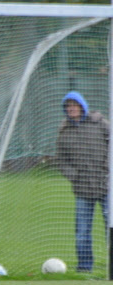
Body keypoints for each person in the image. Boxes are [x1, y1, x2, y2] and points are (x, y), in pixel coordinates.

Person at [55, 91, 110, 272]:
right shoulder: (64, 131)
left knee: (110, 228)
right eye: (68, 106)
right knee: (82, 232)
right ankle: (85, 267)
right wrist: (74, 176)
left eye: (74, 105)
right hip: (82, 188)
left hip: (106, 186)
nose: (71, 108)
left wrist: (108, 169)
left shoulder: (100, 123)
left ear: (82, 106)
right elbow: (61, 160)